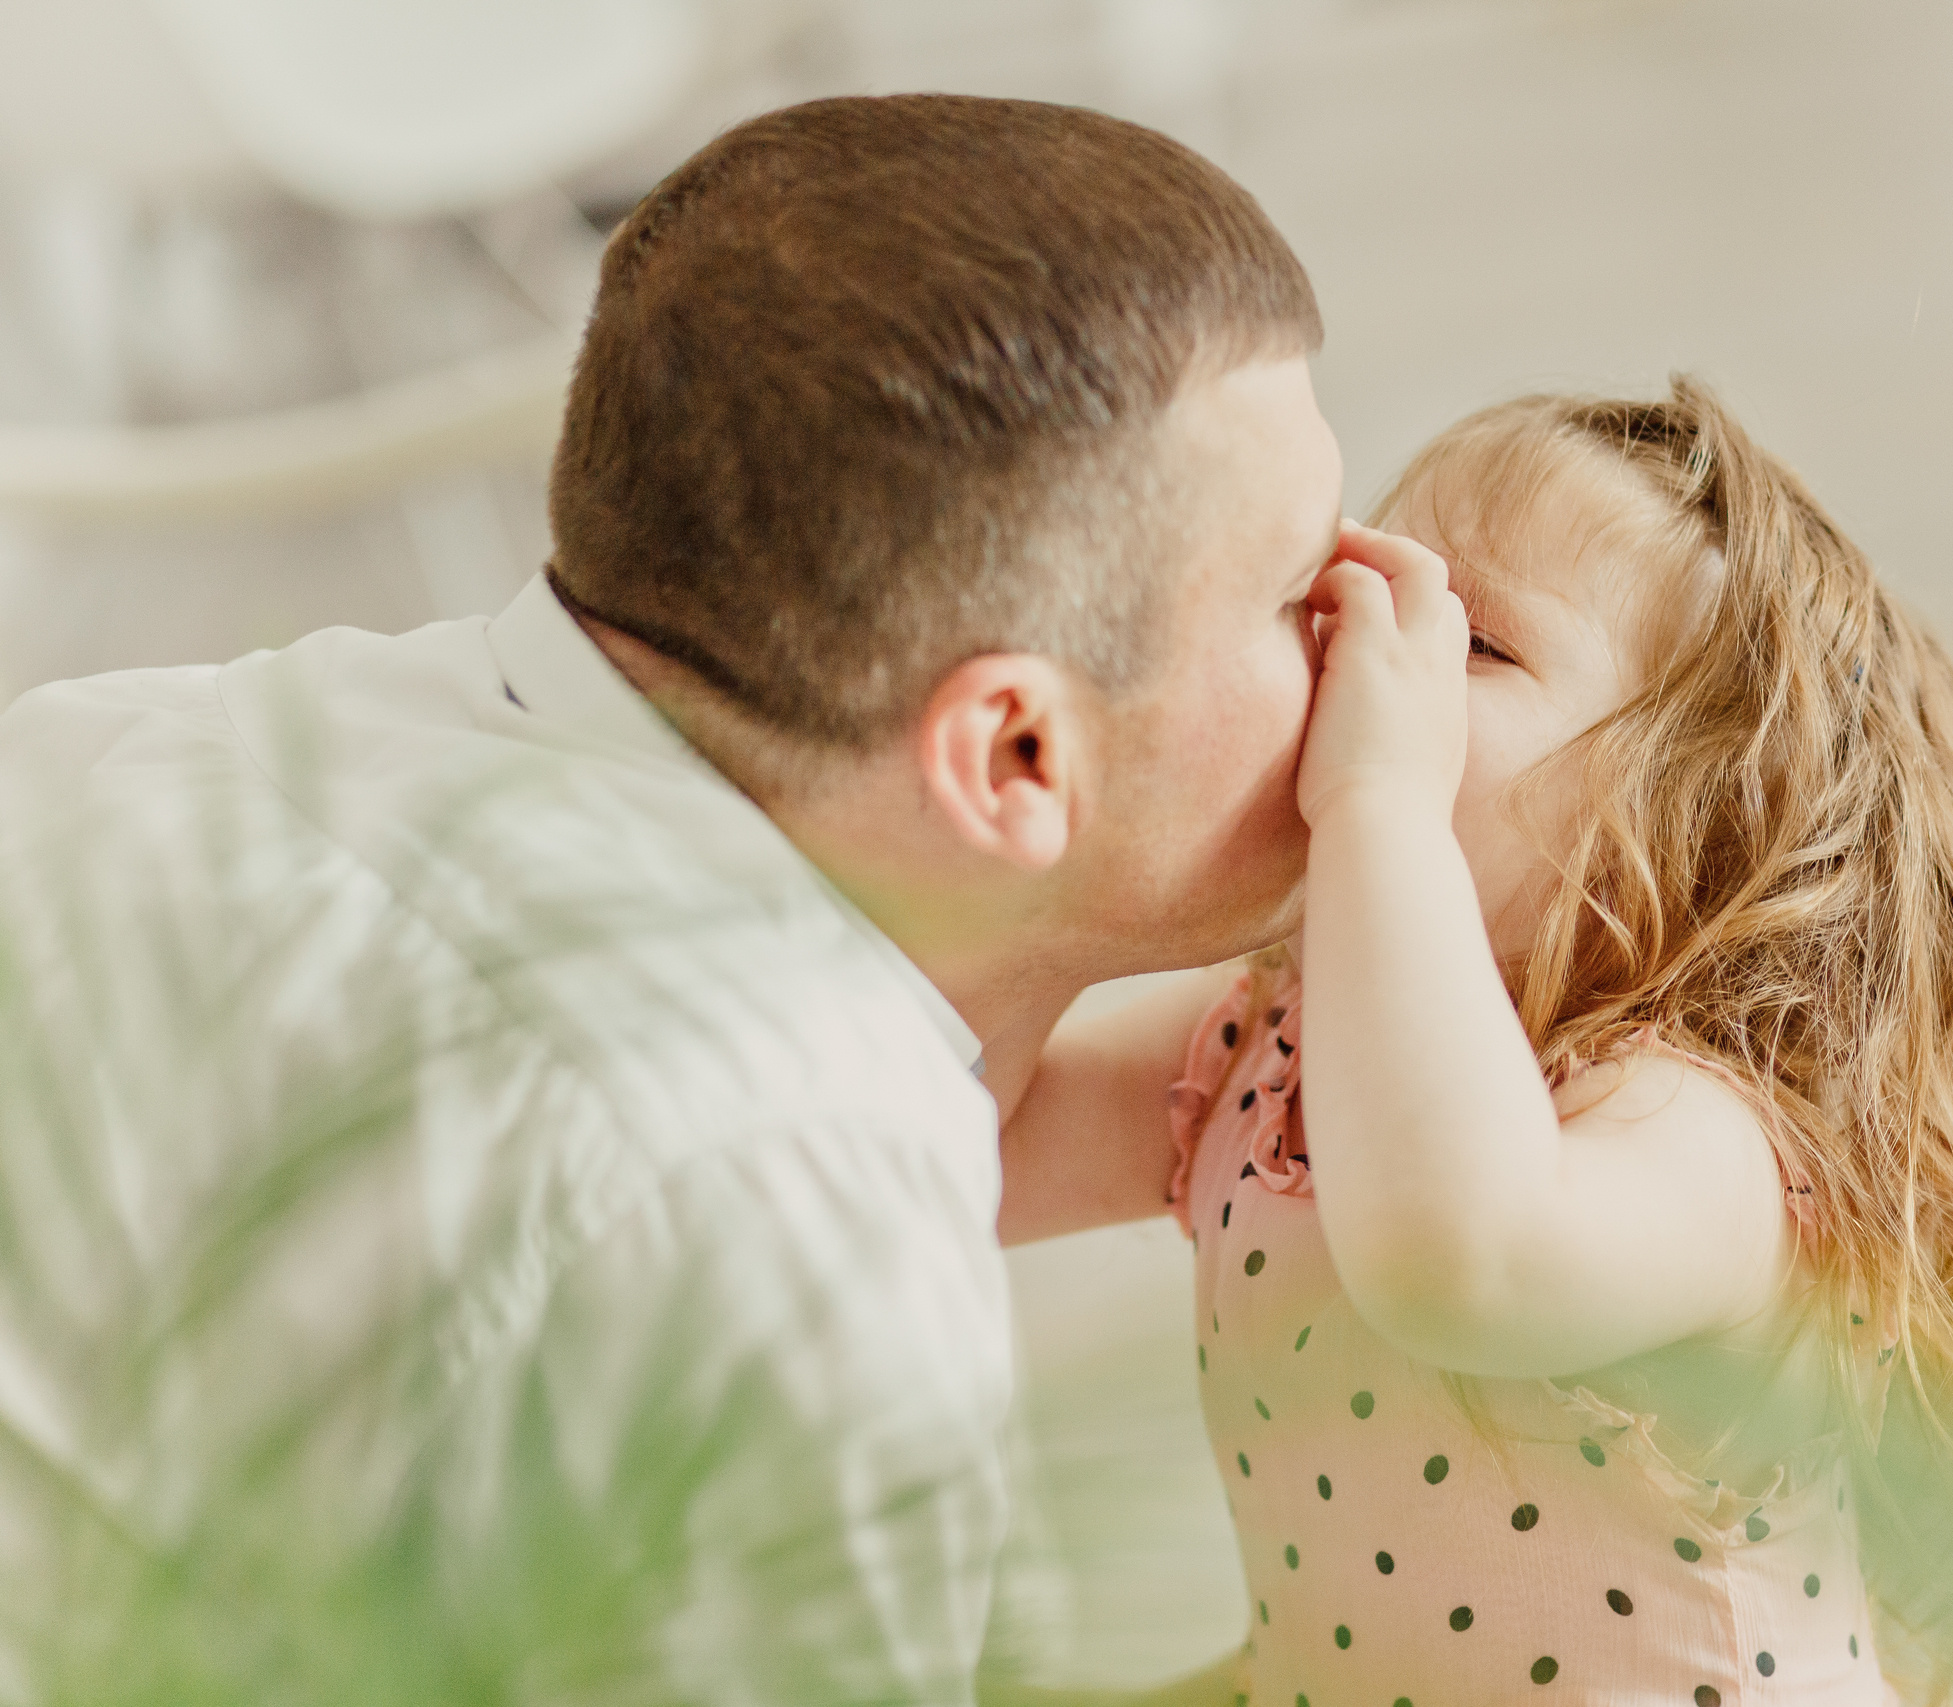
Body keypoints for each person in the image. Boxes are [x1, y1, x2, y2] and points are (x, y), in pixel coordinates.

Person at [0, 96, 1345, 1703]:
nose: (1375, 614)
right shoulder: (787, 1222)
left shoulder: (127, 746)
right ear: (1014, 753)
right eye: (1296, 589)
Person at [1001, 380, 1953, 1703]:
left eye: (1462, 641)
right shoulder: (1268, 1040)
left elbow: (1458, 1257)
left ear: (1698, 829)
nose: (1360, 656)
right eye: (1348, 596)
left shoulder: (1712, 1139)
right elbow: (979, 1154)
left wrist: (1377, 796)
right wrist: (1062, 878)